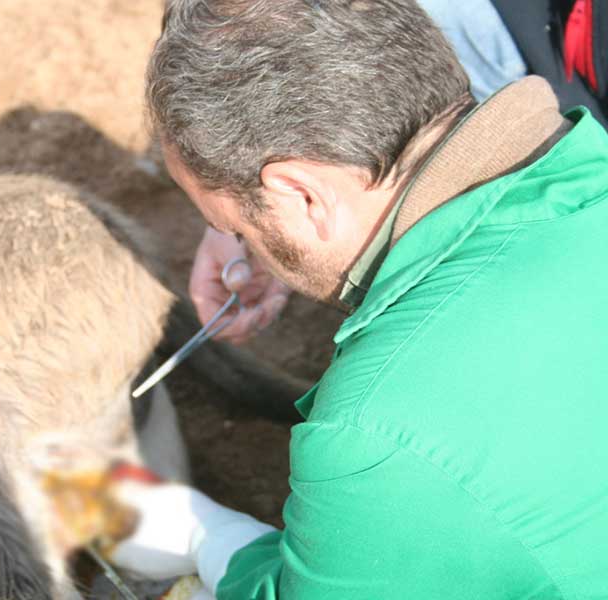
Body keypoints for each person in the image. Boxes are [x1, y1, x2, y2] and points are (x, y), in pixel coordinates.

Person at [108, 1, 608, 598]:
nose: (243, 249)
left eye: (236, 229)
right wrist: (272, 231)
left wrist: (206, 537)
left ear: (302, 196)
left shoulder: (379, 437)